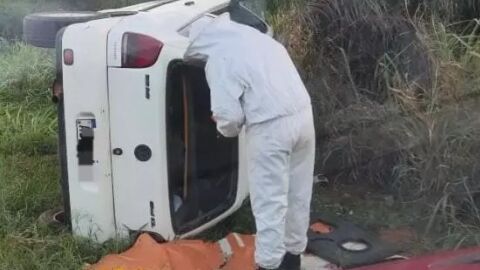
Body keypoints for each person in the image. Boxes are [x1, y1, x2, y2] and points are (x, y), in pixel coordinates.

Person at [184, 13, 315, 270]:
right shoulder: (262, 41)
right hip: (304, 117)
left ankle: (268, 265)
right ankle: (293, 259)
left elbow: (230, 119)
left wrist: (221, 124)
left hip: (269, 128)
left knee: (270, 204)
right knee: (298, 195)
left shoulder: (219, 59)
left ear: (201, 44)